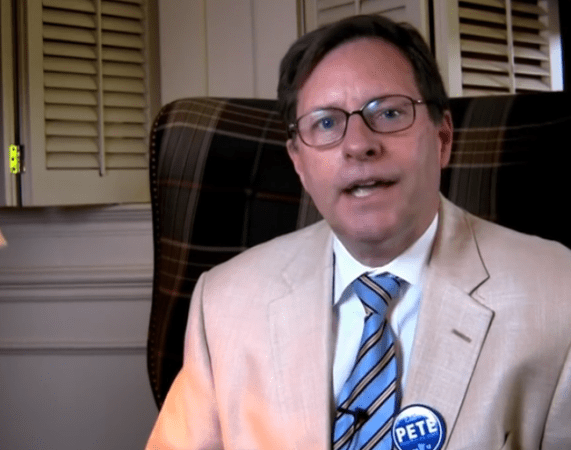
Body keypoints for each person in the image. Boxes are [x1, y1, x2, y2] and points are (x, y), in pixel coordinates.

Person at [145, 14, 571, 450]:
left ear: (442, 138)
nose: (358, 145)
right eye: (327, 123)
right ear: (299, 163)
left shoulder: (559, 293)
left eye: (388, 112)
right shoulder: (223, 302)